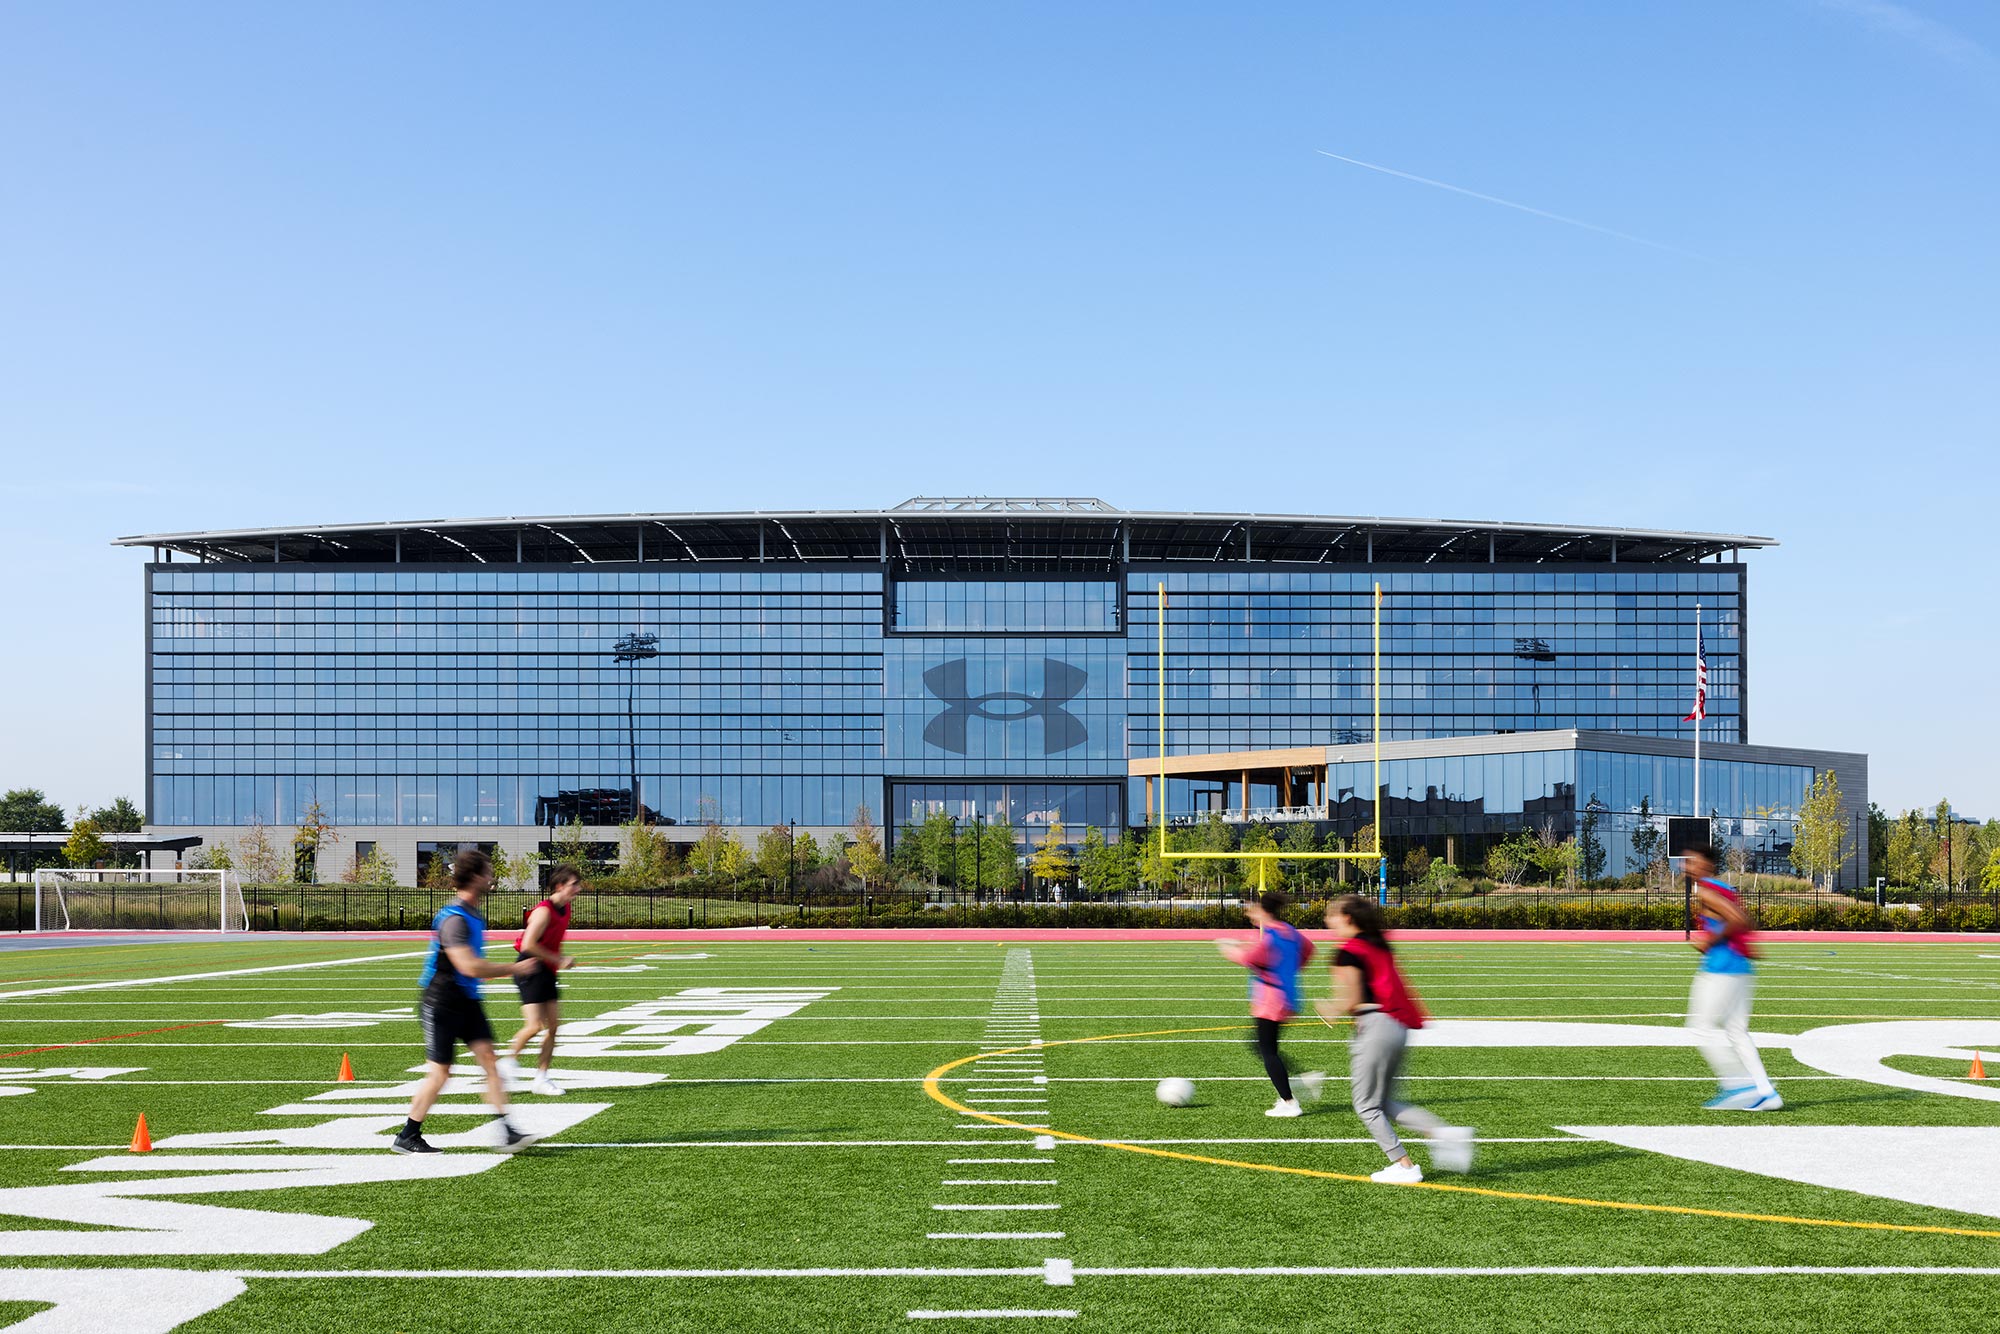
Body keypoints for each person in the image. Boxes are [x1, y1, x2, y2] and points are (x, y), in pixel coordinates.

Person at [392, 848, 540, 1155]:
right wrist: (514, 968)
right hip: (441, 1002)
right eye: (488, 873)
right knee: (441, 1073)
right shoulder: (454, 919)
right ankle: (408, 1135)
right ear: (474, 877)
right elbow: (468, 966)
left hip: (467, 1000)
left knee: (490, 1063)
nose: (492, 878)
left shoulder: (473, 914)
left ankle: (507, 1131)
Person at [1317, 893, 1472, 1184]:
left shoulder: (1348, 952)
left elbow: (1352, 999)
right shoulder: (1378, 944)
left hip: (1375, 1026)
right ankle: (1443, 1133)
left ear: (1347, 918)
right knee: (1385, 1102)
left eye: (1331, 915)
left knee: (1366, 1105)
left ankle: (1404, 1165)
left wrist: (1330, 1008)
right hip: (1396, 1026)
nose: (1327, 921)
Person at [1683, 842, 1781, 1112]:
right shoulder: (1725, 888)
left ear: (1708, 864)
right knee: (1737, 1032)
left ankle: (1739, 1086)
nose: (1686, 867)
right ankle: (1766, 1092)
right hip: (1740, 966)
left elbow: (1738, 920)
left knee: (1700, 1027)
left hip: (1721, 967)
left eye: (1692, 861)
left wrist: (1711, 940)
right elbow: (1745, 920)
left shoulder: (1706, 890)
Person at [1216, 889, 1323, 1118]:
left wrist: (1229, 949)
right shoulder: (1288, 931)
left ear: (1263, 910)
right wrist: (1290, 969)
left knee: (1267, 1050)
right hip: (1287, 996)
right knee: (1262, 1046)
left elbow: (1250, 959)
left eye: (1252, 910)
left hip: (1271, 999)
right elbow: (1309, 950)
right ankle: (1300, 1080)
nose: (1249, 914)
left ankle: (1289, 1101)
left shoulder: (1271, 936)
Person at [497, 865, 582, 1097]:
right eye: (574, 884)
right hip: (530, 969)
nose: (578, 888)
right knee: (535, 1026)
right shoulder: (544, 911)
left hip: (547, 971)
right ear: (560, 886)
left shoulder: (565, 908)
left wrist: (556, 961)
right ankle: (507, 1063)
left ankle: (541, 1078)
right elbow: (528, 945)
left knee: (553, 1027)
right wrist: (558, 959)